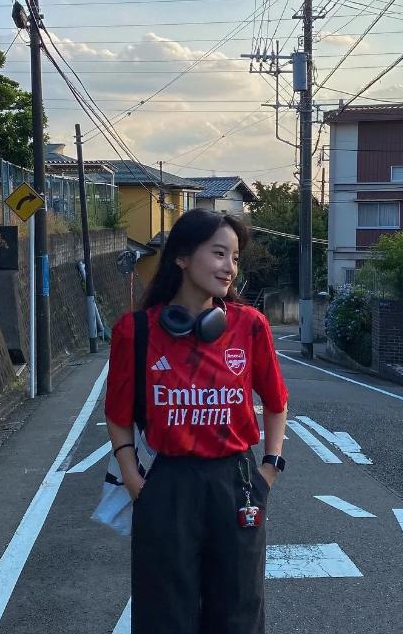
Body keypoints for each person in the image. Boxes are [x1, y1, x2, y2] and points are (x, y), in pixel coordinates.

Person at [105, 208, 289, 634]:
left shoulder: (250, 326)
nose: (230, 268)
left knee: (239, 611)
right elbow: (117, 414)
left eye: (235, 258)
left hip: (237, 482)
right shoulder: (136, 331)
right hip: (168, 484)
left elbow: (276, 401)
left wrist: (269, 468)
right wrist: (133, 478)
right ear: (182, 257)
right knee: (164, 613)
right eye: (219, 253)